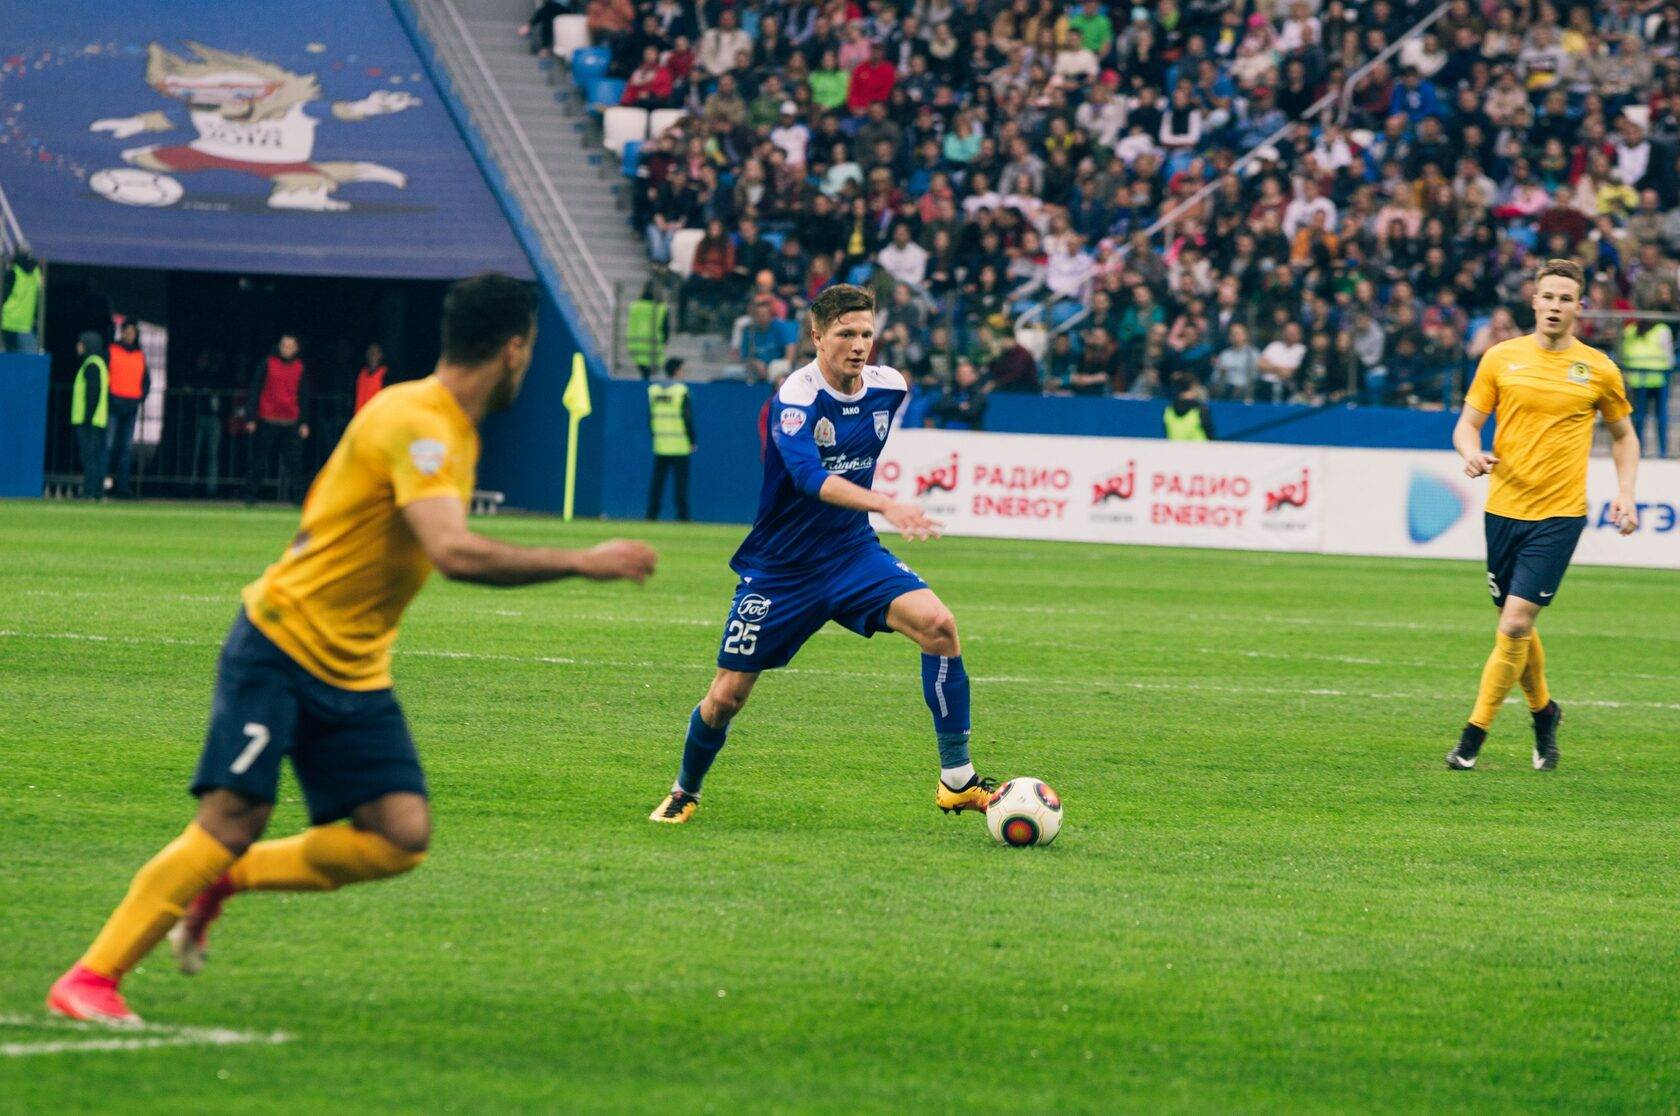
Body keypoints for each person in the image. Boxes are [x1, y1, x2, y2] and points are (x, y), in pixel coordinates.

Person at [47, 273, 659, 1026]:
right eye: (528, 353)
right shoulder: (420, 421)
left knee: (399, 836)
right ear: (514, 350)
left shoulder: (449, 428)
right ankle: (90, 978)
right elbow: (454, 552)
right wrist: (581, 561)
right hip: (280, 642)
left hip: (353, 665)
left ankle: (221, 882)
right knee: (231, 818)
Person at [648, 284, 994, 824]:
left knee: (940, 626)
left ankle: (958, 780)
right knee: (726, 698)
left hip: (851, 552)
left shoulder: (890, 387)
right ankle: (684, 789)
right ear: (817, 336)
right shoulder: (797, 397)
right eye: (846, 334)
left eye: (867, 334)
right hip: (781, 569)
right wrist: (886, 503)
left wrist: (872, 513)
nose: (859, 346)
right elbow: (809, 477)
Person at [1445, 260, 1641, 772]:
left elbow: (1624, 435)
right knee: (1517, 631)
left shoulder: (1598, 368)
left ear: (1580, 306)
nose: (1555, 306)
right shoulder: (1500, 358)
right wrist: (1469, 451)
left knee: (1513, 624)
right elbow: (1467, 425)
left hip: (1558, 515)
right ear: (1534, 301)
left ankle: (1472, 738)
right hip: (1503, 509)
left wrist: (1626, 492)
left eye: (1565, 298)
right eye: (1548, 296)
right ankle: (1544, 714)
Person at [244, 334, 310, 505]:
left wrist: (304, 422)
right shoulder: (267, 363)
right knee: (259, 460)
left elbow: (303, 396)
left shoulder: (300, 367)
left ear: (296, 349)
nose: (286, 349)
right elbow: (255, 390)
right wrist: (251, 418)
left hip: (290, 421)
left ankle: (299, 499)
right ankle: (251, 496)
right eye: (284, 346)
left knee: (295, 463)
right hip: (268, 419)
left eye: (290, 346)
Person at [647, 357, 697, 521]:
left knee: (657, 483)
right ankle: (682, 516)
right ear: (677, 371)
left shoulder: (654, 390)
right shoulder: (681, 391)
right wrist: (692, 440)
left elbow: (650, 417)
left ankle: (651, 514)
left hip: (661, 443)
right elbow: (687, 417)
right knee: (680, 484)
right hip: (679, 444)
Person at [105, 320, 151, 499]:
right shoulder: (112, 351)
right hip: (114, 404)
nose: (129, 335)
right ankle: (104, 483)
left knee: (125, 449)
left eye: (132, 332)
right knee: (108, 446)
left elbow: (146, 381)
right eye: (127, 332)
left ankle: (123, 486)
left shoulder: (140, 355)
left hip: (130, 406)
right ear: (122, 333)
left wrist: (140, 398)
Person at [1620, 314, 1672, 459]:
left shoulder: (1631, 330)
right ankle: (1654, 451)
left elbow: (1625, 354)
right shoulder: (1632, 330)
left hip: (1652, 379)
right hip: (1648, 379)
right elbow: (1669, 357)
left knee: (1652, 418)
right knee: (1645, 419)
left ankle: (1657, 451)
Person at [69, 331, 110, 500]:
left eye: (81, 343)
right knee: (95, 456)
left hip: (89, 421)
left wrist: (87, 416)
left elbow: (93, 392)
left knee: (89, 457)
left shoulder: (91, 364)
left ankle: (89, 491)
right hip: (96, 420)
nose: (78, 347)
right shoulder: (98, 363)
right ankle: (97, 491)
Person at [1, 244, 41, 353]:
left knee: (8, 361)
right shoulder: (36, 272)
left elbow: (3, 296)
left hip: (8, 322)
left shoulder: (13, 272)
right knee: (29, 363)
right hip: (26, 324)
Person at [1163, 372, 1215, 440]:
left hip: (1175, 450)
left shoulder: (1168, 410)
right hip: (1199, 450)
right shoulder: (1201, 411)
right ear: (1193, 385)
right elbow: (1211, 438)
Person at [354, 343, 389, 415]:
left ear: (381, 355)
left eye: (376, 352)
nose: (372, 355)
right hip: (362, 416)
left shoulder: (386, 374)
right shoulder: (361, 374)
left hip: (378, 416)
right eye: (370, 352)